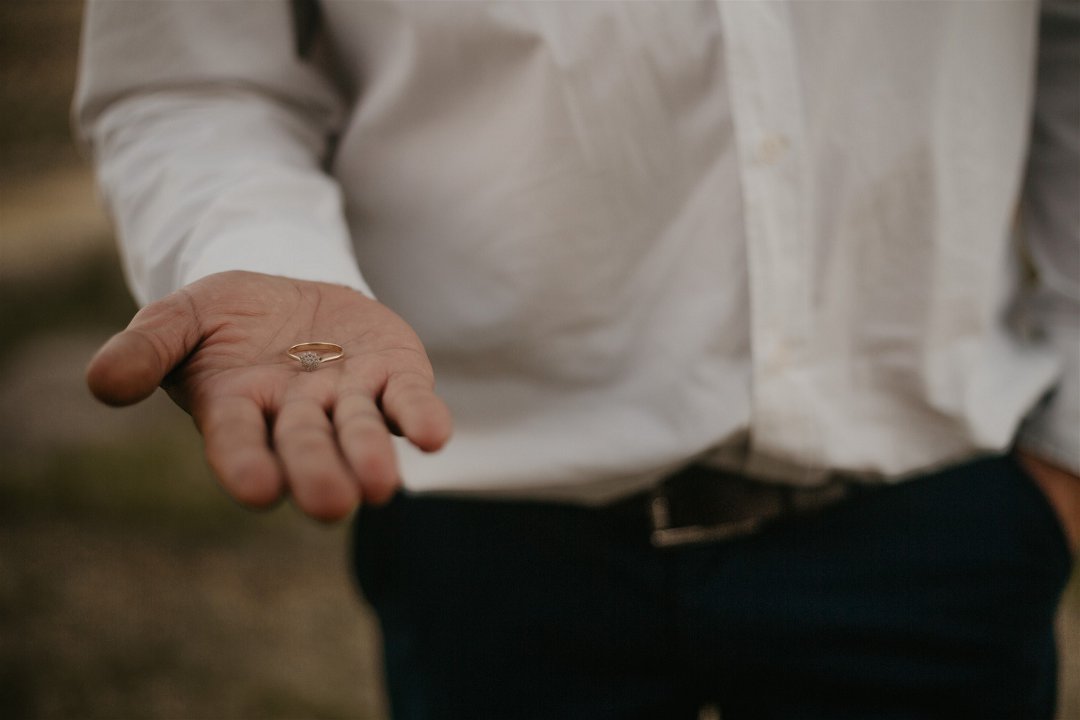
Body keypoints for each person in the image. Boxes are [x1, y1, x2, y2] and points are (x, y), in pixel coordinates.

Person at [76, 1, 1078, 717]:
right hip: (492, 529)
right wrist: (267, 264)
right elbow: (193, 74)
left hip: (939, 515)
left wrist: (1066, 451)